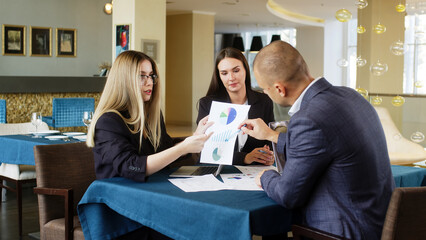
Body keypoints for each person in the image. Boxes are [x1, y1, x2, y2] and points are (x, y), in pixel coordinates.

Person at [239, 41, 395, 239]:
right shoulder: (351, 95)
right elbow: (324, 144)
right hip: (381, 224)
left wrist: (265, 177)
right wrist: (271, 135)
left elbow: (288, 195)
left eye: (264, 89)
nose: (265, 94)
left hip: (343, 233)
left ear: (279, 89)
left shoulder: (307, 118)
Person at [87, 50, 212, 183]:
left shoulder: (152, 115)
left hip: (151, 188)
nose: (150, 82)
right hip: (120, 194)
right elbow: (131, 166)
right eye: (142, 76)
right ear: (124, 81)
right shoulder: (108, 122)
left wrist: (194, 137)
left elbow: (165, 149)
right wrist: (183, 147)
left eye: (151, 76)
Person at [197, 47, 275, 165]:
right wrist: (245, 157)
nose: (231, 78)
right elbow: (206, 149)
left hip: (254, 171)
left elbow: (270, 139)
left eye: (236, 70)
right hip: (215, 170)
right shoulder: (207, 104)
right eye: (224, 73)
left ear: (245, 70)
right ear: (219, 76)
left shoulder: (264, 101)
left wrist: (269, 155)